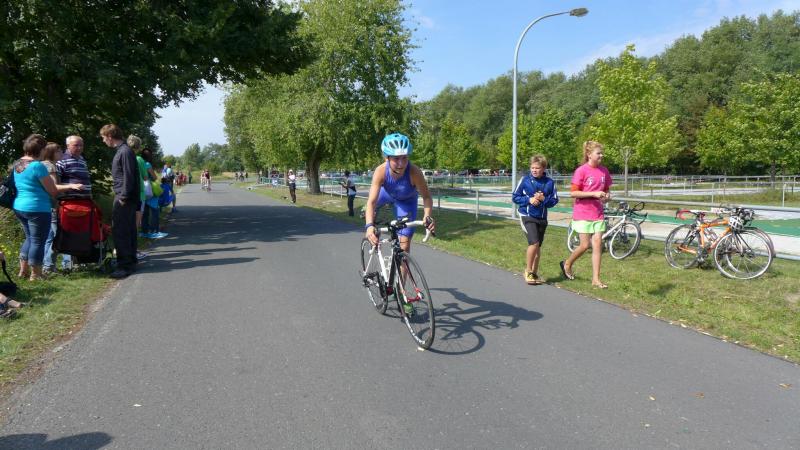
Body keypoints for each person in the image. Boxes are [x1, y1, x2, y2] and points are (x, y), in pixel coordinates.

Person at [561, 141, 612, 289]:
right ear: (589, 154)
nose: (601, 155)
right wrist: (593, 193)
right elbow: (573, 193)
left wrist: (607, 196)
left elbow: (607, 190)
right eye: (598, 153)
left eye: (602, 153)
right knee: (584, 245)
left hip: (598, 213)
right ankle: (567, 264)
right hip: (583, 213)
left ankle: (596, 279)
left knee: (597, 244)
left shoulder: (604, 171)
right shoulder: (581, 170)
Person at [12, 134, 59, 281]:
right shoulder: (38, 166)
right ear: (41, 149)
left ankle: (23, 271)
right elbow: (52, 190)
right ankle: (36, 274)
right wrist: (69, 187)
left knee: (29, 238)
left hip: (19, 206)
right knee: (38, 241)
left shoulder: (18, 164)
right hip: (37, 207)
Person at [512, 155, 558, 285]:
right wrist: (529, 200)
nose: (534, 170)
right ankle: (528, 271)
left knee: (538, 247)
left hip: (542, 218)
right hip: (527, 216)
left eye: (537, 168)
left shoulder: (549, 182)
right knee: (534, 243)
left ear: (543, 168)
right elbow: (515, 197)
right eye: (532, 168)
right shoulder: (525, 180)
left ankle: (534, 273)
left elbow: (554, 201)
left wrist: (543, 199)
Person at [101, 124, 140, 279]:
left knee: (121, 231)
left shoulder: (124, 151)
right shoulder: (124, 151)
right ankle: (130, 261)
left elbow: (129, 176)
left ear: (110, 136)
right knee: (127, 230)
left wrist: (124, 196)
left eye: (104, 138)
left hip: (124, 197)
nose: (103, 141)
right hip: (126, 196)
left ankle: (124, 266)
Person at [40, 142, 84, 274]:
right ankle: (49, 266)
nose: (62, 153)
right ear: (51, 153)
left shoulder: (44, 164)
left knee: (50, 237)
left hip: (47, 205)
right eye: (59, 151)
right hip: (52, 206)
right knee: (59, 236)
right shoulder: (50, 166)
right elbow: (54, 188)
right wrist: (71, 186)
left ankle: (48, 266)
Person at [56, 135, 92, 271]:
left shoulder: (82, 159)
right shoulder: (62, 161)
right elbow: (56, 184)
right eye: (76, 145)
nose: (79, 148)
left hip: (85, 201)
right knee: (68, 232)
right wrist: (72, 187)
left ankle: (80, 261)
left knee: (81, 233)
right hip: (70, 203)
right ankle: (66, 265)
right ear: (68, 146)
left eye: (81, 145)